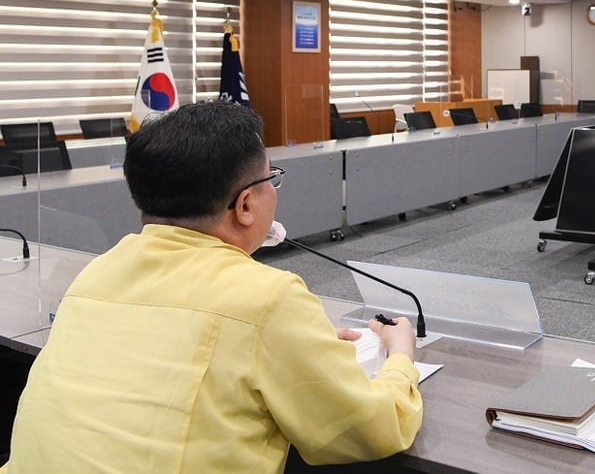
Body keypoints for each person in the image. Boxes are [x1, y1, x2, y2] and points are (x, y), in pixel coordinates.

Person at [1, 102, 422, 472]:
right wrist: (400, 355)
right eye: (271, 178)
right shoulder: (267, 297)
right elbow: (367, 429)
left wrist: (291, 341)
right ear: (245, 205)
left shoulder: (99, 271)